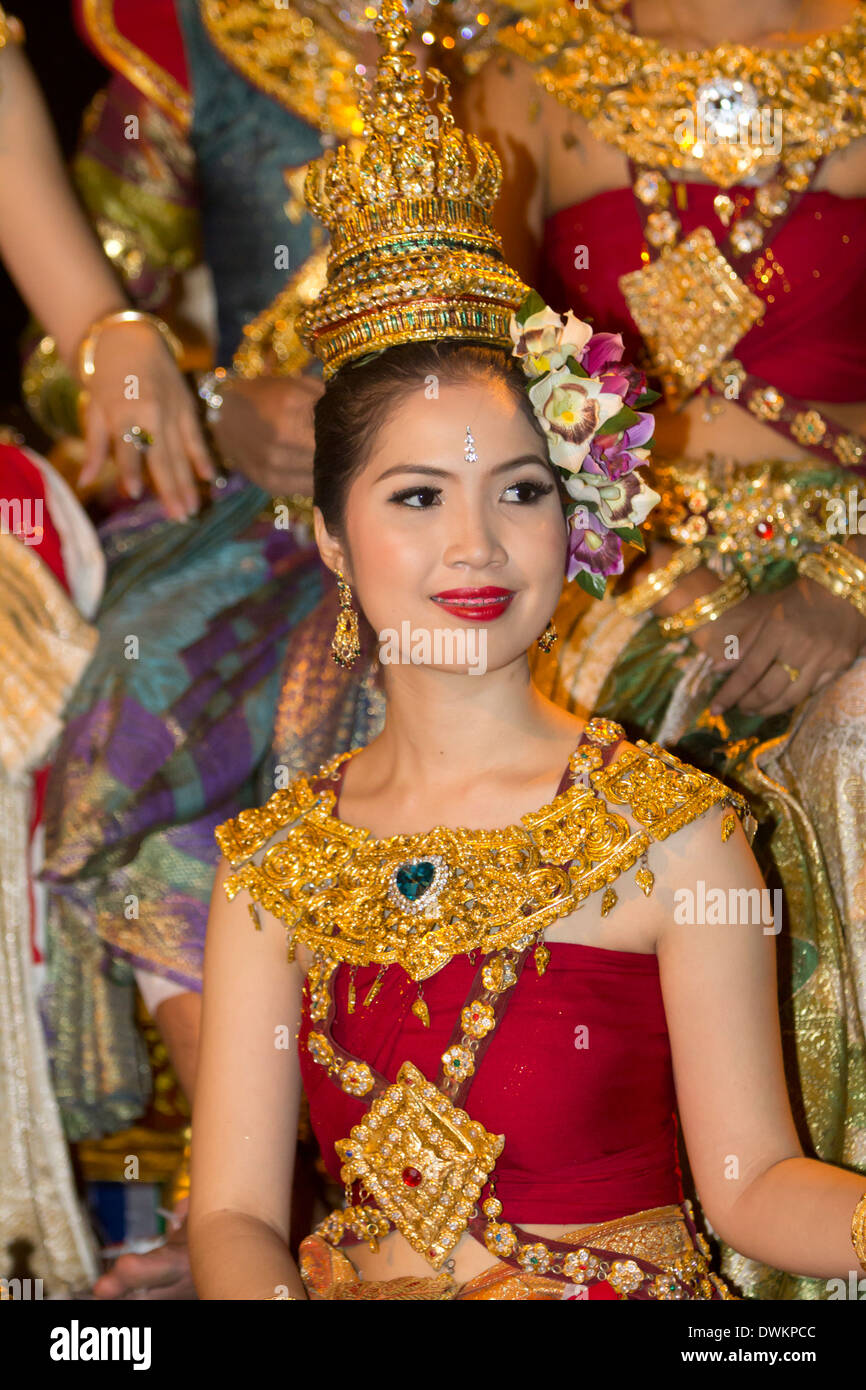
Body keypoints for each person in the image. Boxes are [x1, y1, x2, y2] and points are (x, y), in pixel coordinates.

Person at [187, 1, 866, 1301]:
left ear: (575, 512)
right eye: (415, 498)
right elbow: (230, 1214)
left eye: (516, 489)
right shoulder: (272, 870)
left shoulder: (679, 832)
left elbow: (753, 1184)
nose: (476, 547)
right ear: (330, 540)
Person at [454, 0, 866, 1300]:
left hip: (857, 551)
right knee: (581, 786)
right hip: (613, 582)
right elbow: (455, 386)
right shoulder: (524, 68)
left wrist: (853, 585)